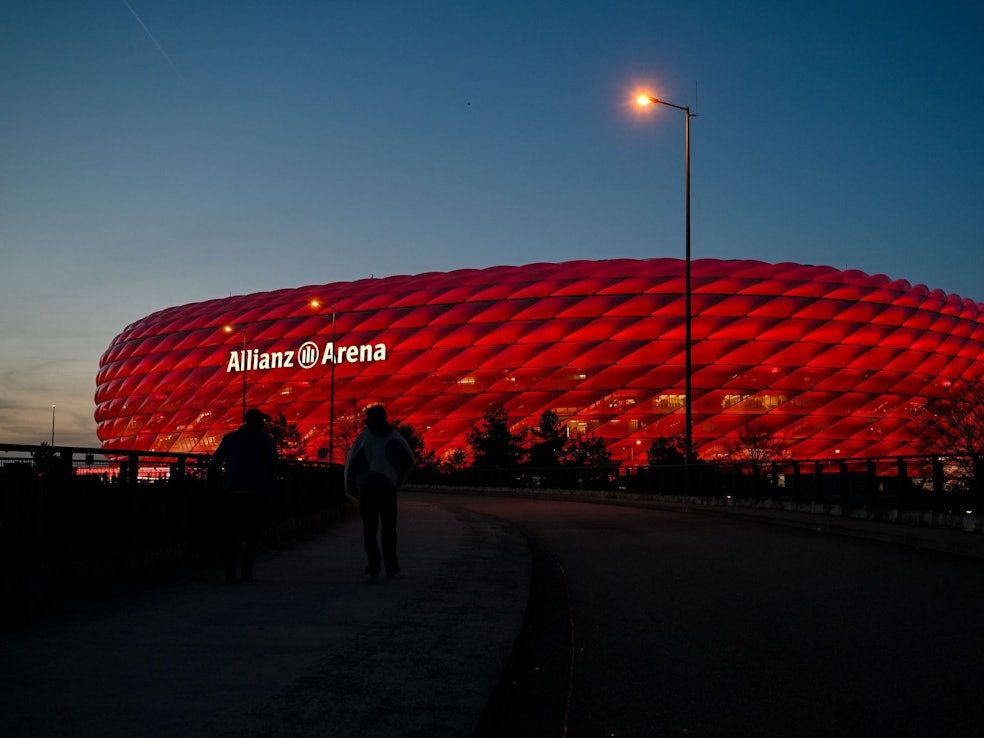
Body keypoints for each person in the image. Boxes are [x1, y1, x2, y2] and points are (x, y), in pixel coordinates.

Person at [344, 405, 415, 581]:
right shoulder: (395, 438)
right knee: (388, 529)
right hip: (387, 490)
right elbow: (409, 461)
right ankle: (390, 566)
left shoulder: (364, 438)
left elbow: (351, 464)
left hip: (368, 490)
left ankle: (374, 567)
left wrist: (350, 487)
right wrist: (397, 480)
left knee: (370, 530)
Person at [208, 408, 279, 584]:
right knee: (252, 536)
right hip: (256, 494)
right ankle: (246, 573)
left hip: (233, 494)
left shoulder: (231, 439)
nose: (262, 424)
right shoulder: (265, 440)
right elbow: (273, 466)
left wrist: (214, 486)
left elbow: (215, 463)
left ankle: (231, 573)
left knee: (231, 535)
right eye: (260, 421)